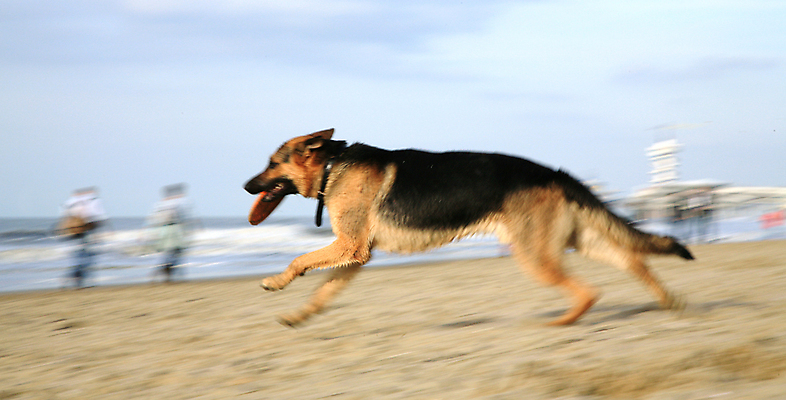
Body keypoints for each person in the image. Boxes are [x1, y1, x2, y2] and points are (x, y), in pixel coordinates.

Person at [57, 187, 108, 288]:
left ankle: (74, 280)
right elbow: (93, 219)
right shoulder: (88, 202)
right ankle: (76, 280)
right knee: (86, 259)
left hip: (73, 234)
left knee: (81, 258)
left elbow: (64, 218)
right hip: (83, 233)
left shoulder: (70, 203)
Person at [147, 184, 192, 282]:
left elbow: (153, 219)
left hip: (163, 230)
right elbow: (182, 218)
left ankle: (161, 274)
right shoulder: (176, 204)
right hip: (173, 231)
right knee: (175, 253)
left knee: (166, 254)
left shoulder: (159, 204)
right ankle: (167, 274)